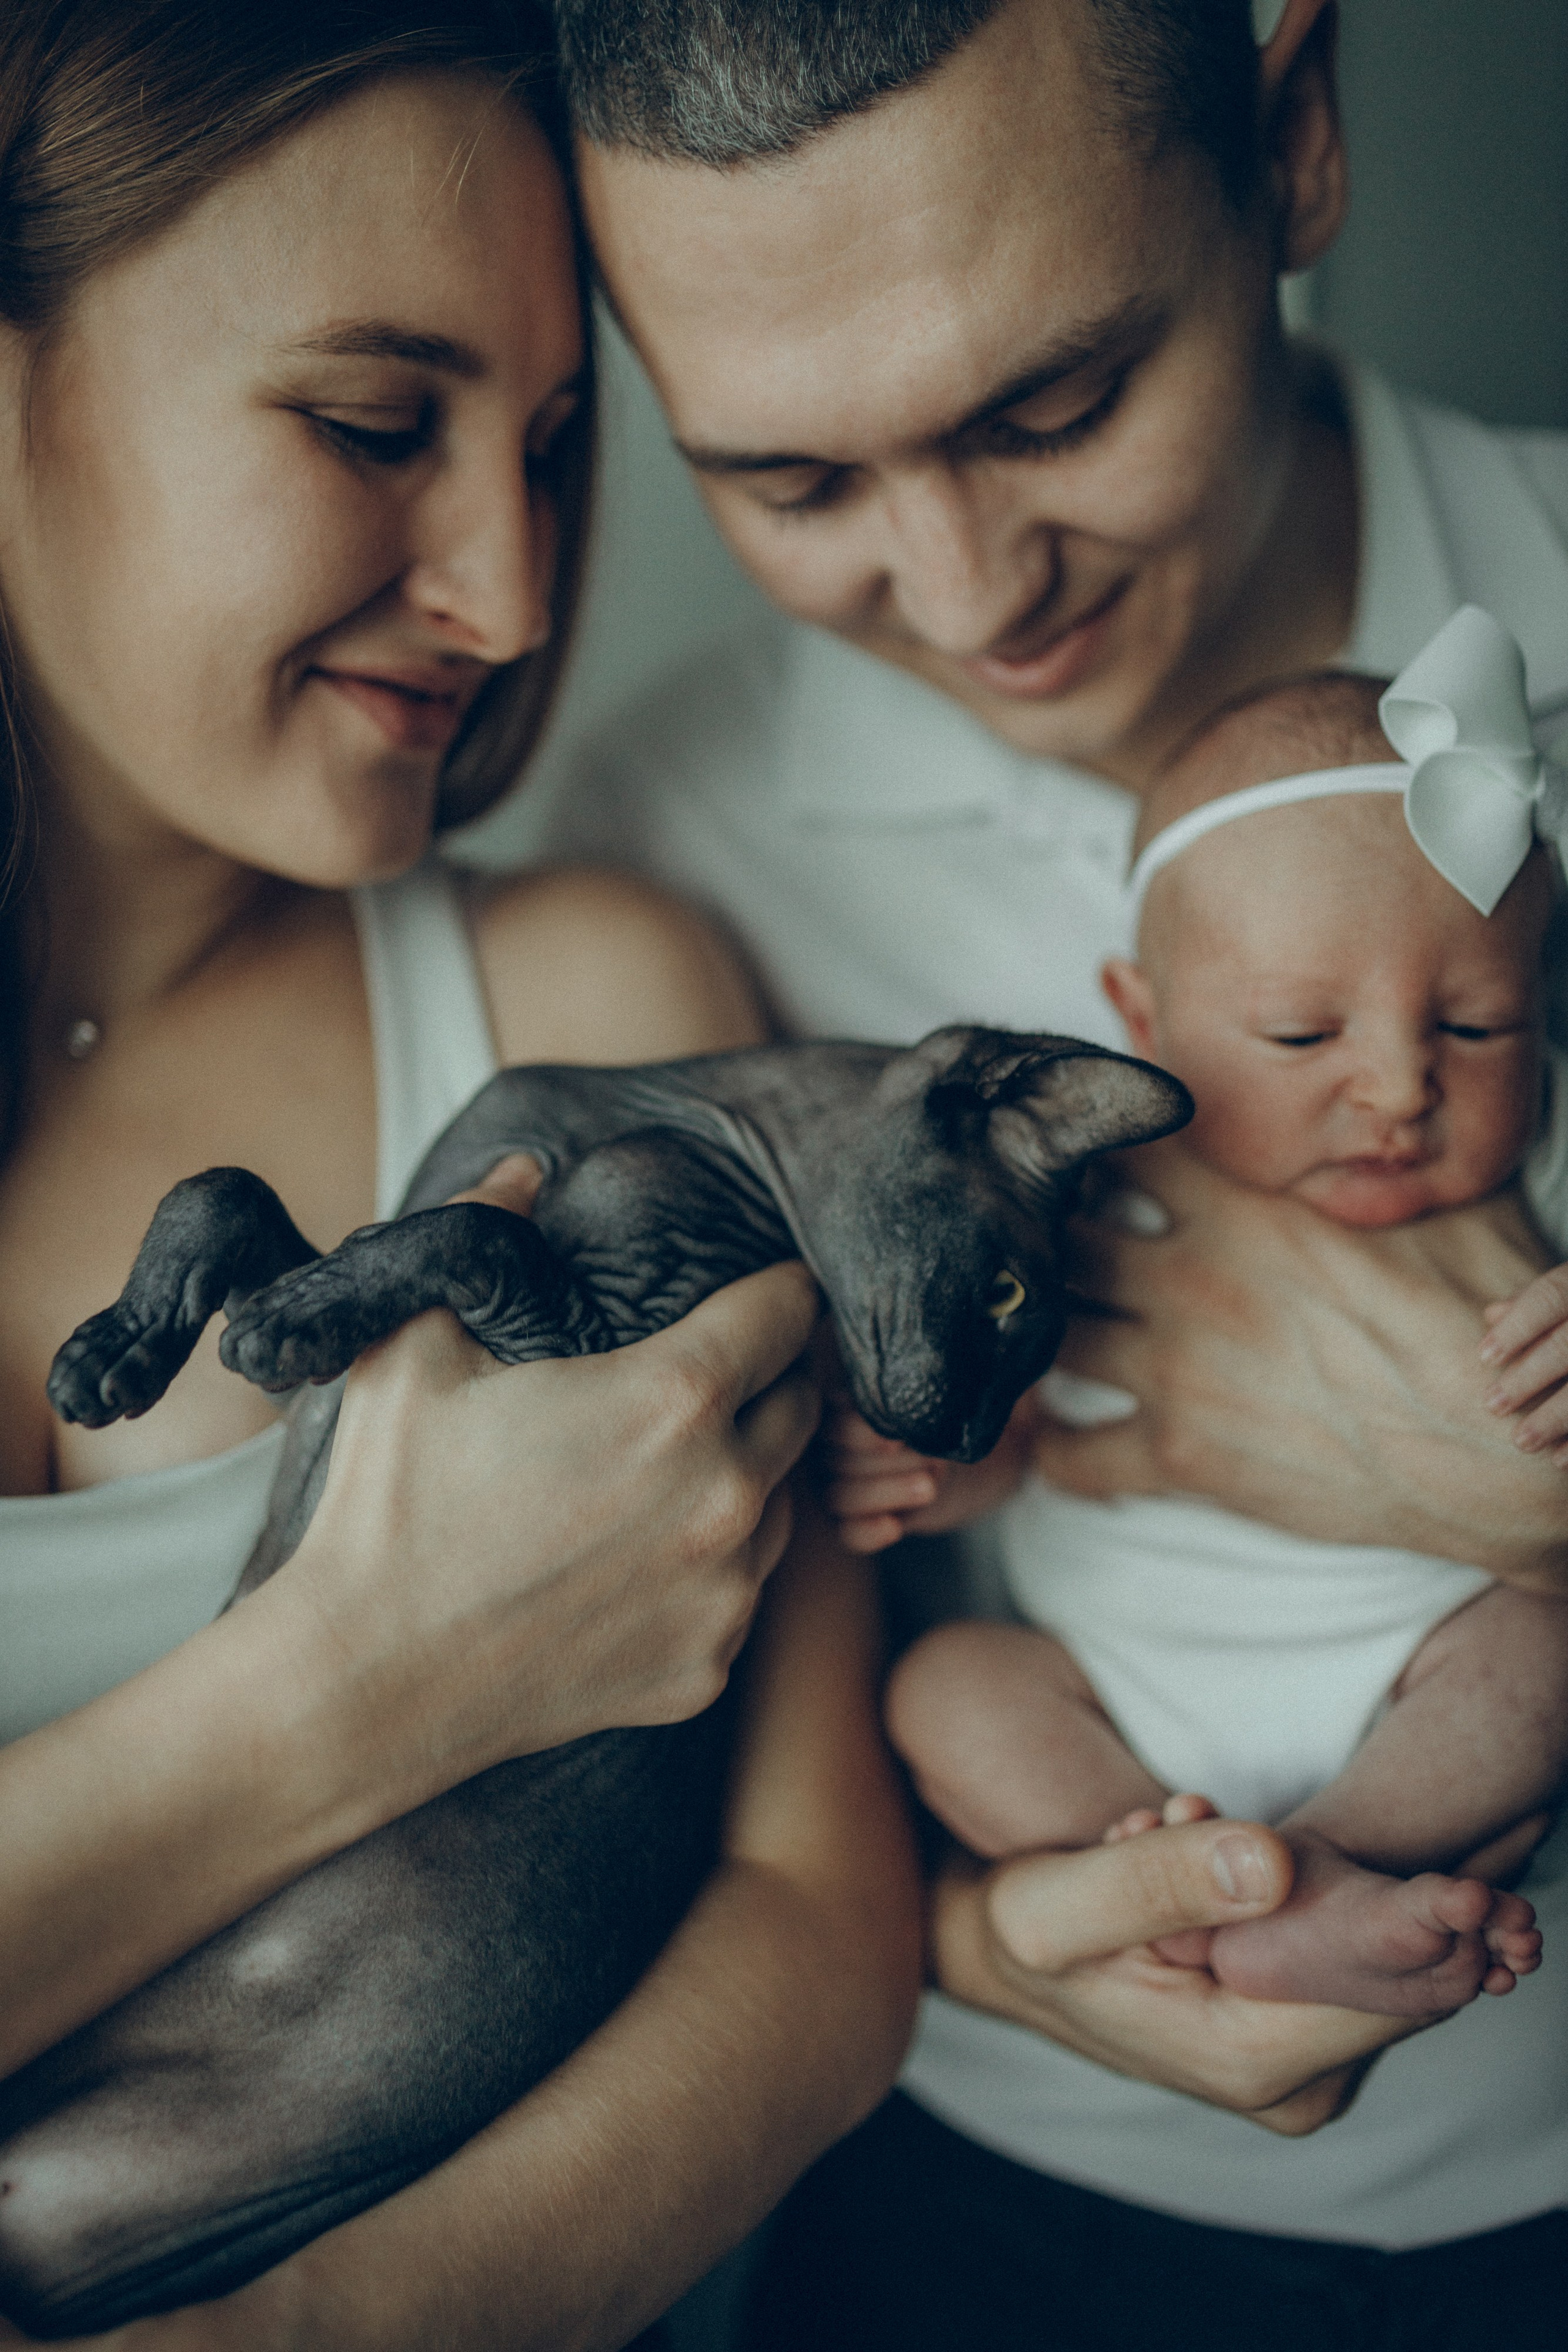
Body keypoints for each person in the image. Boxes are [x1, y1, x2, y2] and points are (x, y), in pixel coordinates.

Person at [540, 0, 1568, 2338]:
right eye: (792, 486)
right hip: (979, 2196)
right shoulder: (641, 869)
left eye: (1058, 402)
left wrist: (1511, 1498)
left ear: (1293, 133)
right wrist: (1016, 1949)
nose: (971, 589)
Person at [0, 6, 932, 2345]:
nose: (517, 601)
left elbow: (819, 1927)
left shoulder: (582, 1013)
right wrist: (366, 1679)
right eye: (369, 422)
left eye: (553, 444)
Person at [884, 646, 1568, 2026]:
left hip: (1418, 1662)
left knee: (1539, 1660)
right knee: (949, 1689)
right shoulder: (1080, 1194)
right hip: (1113, 1695)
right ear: (1140, 1021)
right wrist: (926, 1463)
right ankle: (1180, 1886)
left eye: (1474, 1023)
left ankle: (1323, 1872)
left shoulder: (1540, 1175)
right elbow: (1006, 1440)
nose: (1392, 1086)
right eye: (1299, 1032)